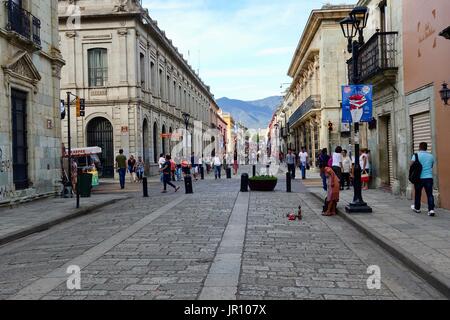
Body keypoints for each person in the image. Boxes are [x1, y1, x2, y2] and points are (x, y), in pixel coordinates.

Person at [411, 142, 435, 217]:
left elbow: (411, 165)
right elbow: (431, 165)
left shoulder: (416, 155)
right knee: (430, 194)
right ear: (426, 147)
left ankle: (417, 208)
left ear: (419, 147)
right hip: (429, 178)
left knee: (418, 193)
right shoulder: (431, 156)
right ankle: (431, 210)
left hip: (419, 178)